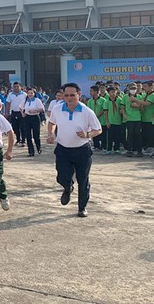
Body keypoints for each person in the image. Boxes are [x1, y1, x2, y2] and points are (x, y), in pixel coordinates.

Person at [47, 83, 102, 217]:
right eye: (66, 95)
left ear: (79, 94)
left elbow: (98, 129)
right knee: (62, 176)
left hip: (82, 151)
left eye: (72, 95)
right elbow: (51, 122)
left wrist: (87, 135)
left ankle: (82, 208)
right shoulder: (57, 109)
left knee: (83, 180)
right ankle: (68, 187)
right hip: (63, 149)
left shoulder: (87, 111)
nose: (69, 98)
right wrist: (51, 134)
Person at [20, 87, 44, 157]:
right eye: (28, 93)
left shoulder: (37, 100)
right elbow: (21, 107)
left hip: (35, 118)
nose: (30, 94)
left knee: (36, 135)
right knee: (28, 135)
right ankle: (31, 152)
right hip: (27, 118)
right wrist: (22, 113)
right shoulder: (25, 100)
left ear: (34, 93)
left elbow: (42, 109)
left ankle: (38, 147)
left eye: (31, 93)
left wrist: (35, 111)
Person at [121, 84, 143, 157]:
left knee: (138, 134)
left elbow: (142, 109)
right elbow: (122, 107)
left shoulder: (140, 97)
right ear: (128, 89)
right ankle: (129, 150)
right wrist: (124, 114)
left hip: (137, 118)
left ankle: (139, 150)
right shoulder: (125, 97)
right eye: (131, 88)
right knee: (130, 134)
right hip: (129, 119)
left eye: (134, 88)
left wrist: (137, 105)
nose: (133, 90)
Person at [103, 87, 123, 155]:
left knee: (117, 136)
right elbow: (105, 112)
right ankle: (109, 149)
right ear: (108, 93)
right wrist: (107, 121)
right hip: (110, 122)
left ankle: (116, 149)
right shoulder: (106, 101)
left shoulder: (120, 100)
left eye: (114, 91)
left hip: (118, 121)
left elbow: (122, 109)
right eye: (112, 92)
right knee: (109, 136)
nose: (113, 93)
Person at [6, 82, 26, 146]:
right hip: (14, 112)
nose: (16, 88)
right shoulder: (10, 94)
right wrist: (7, 112)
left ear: (20, 87)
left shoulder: (24, 95)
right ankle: (18, 140)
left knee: (22, 127)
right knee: (15, 127)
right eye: (15, 86)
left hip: (22, 113)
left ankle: (23, 141)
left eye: (17, 86)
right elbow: (8, 103)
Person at [87, 86, 106, 151]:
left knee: (102, 133)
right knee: (94, 132)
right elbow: (88, 110)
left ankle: (103, 146)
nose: (90, 92)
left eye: (91, 91)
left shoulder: (103, 100)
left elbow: (104, 109)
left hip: (102, 120)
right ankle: (96, 146)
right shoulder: (90, 101)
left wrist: (97, 115)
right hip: (93, 120)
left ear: (96, 92)